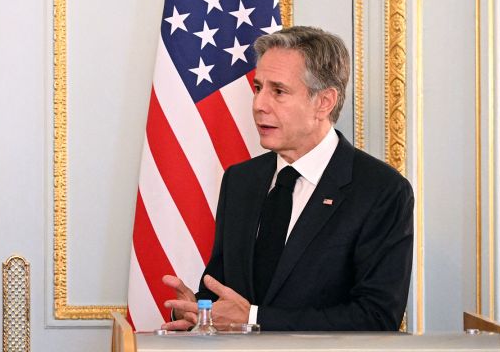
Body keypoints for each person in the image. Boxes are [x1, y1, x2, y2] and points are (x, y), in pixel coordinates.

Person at [162, 26, 413, 331]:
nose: (259, 104)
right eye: (258, 88)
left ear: (324, 102)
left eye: (278, 91)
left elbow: (376, 317)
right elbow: (226, 291)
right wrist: (196, 310)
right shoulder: (240, 180)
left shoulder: (380, 191)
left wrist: (255, 320)